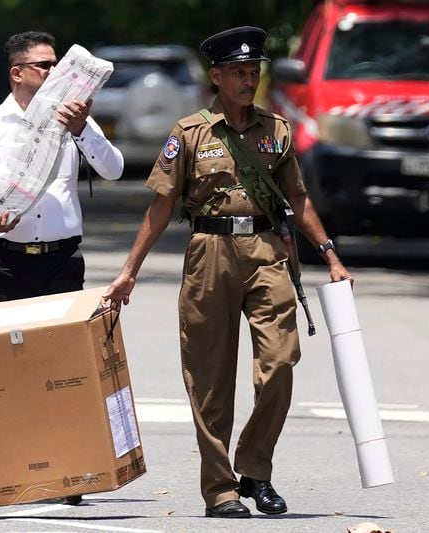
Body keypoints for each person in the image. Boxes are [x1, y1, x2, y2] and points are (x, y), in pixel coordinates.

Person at [103, 27, 352, 519]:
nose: (247, 79)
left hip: (266, 249)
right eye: (238, 72)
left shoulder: (276, 130)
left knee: (281, 360)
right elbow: (161, 205)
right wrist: (129, 271)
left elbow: (297, 198)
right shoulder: (190, 133)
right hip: (209, 252)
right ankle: (220, 488)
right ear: (216, 76)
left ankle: (256, 468)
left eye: (253, 71)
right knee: (209, 378)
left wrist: (329, 254)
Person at [0, 31, 124, 304]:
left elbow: (114, 170)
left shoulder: (75, 119)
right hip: (4, 262)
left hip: (63, 260)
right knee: (11, 344)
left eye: (57, 65)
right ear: (17, 74)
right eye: (44, 66)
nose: (54, 72)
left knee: (61, 346)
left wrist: (81, 130)